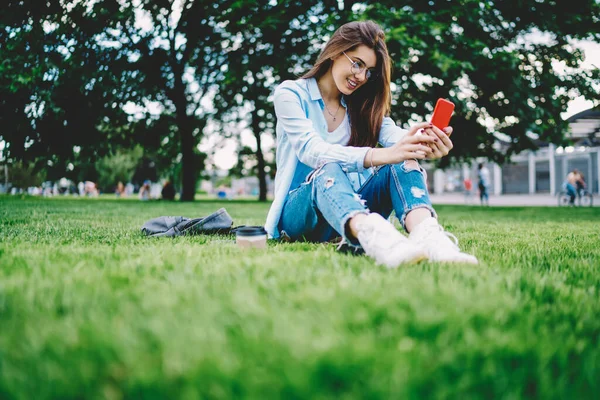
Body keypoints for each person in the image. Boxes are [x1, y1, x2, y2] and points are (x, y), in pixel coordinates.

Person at [264, 21, 478, 268]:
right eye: (357, 63)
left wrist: (422, 142)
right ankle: (374, 237)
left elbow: (396, 138)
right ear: (335, 52)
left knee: (403, 160)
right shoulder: (290, 94)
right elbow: (311, 151)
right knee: (328, 166)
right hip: (300, 216)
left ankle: (429, 236)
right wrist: (379, 155)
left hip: (352, 208)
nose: (361, 77)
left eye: (368, 71)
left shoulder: (361, 105)